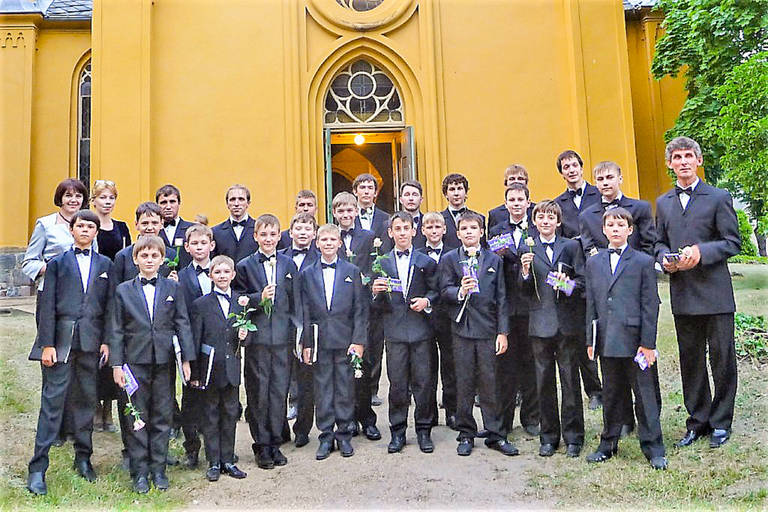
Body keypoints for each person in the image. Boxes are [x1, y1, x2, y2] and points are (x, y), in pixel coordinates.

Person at [655, 136, 740, 449]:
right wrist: (664, 259)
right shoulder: (663, 203)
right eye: (677, 157)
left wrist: (701, 252)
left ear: (699, 161)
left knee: (722, 360)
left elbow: (732, 242)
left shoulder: (718, 197)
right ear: (670, 164)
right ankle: (698, 421)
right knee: (691, 361)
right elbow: (658, 242)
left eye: (689, 156)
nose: (683, 162)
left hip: (716, 295)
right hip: (684, 294)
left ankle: (721, 422)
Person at [26, 210, 112, 496]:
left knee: (87, 400)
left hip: (91, 342)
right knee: (52, 403)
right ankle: (38, 467)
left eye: (90, 226)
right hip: (61, 342)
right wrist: (46, 344)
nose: (85, 230)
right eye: (80, 226)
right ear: (71, 230)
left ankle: (84, 457)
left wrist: (107, 341)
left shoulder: (105, 265)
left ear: (96, 232)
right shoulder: (57, 264)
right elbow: (46, 305)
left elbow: (109, 308)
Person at [109, 235, 195, 494]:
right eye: (144, 256)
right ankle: (140, 472)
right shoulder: (123, 290)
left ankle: (159, 469)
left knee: (162, 415)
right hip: (134, 363)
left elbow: (182, 323)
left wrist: (187, 359)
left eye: (154, 256)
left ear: (162, 259)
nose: (149, 260)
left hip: (163, 362)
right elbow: (116, 330)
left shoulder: (173, 289)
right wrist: (116, 365)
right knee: (136, 417)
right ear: (135, 259)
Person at [585, 208, 667, 470]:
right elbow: (592, 306)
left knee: (644, 396)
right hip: (607, 341)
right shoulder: (594, 263)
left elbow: (650, 304)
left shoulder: (642, 261)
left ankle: (654, 448)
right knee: (611, 394)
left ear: (630, 230)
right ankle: (608, 443)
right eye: (611, 224)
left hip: (635, 342)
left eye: (621, 225)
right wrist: (590, 340)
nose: (616, 229)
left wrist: (648, 343)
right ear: (604, 230)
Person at [439, 211, 518, 457]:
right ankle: (465, 433)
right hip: (462, 330)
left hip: (487, 330)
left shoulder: (494, 260)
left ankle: (495, 433)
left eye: (474, 228)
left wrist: (502, 332)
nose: (469, 232)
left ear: (481, 232)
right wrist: (459, 291)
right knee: (464, 383)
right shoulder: (450, 259)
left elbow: (502, 298)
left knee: (489, 382)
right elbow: (443, 291)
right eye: (464, 229)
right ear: (458, 233)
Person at [22, 178, 89, 448]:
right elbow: (29, 261)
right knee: (54, 360)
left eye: (78, 196)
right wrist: (54, 268)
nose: (73, 200)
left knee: (78, 362)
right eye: (68, 196)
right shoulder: (45, 225)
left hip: (79, 303)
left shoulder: (87, 222)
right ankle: (56, 425)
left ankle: (75, 424)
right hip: (51, 298)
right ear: (59, 198)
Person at [234, 214, 300, 470]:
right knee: (259, 393)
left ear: (279, 236)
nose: (268, 239)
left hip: (282, 338)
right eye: (263, 235)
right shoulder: (245, 266)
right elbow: (238, 298)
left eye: (273, 235)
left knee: (278, 392)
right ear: (255, 237)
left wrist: (297, 336)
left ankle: (274, 441)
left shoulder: (288, 264)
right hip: (258, 339)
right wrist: (257, 298)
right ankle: (260, 445)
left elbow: (295, 303)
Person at [520, 200, 586, 458]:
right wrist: (525, 272)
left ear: (558, 222)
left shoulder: (570, 247)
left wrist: (567, 285)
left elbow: (582, 283)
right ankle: (548, 437)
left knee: (570, 381)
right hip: (539, 324)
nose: (545, 221)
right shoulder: (527, 248)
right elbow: (522, 290)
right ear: (534, 222)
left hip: (566, 324)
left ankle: (573, 437)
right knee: (543, 382)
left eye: (551, 217)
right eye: (541, 218)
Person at [371, 212, 439, 454]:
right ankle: (398, 431)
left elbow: (436, 291)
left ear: (414, 231)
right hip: (395, 332)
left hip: (421, 331)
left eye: (405, 228)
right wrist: (375, 292)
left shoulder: (426, 261)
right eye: (397, 229)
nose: (401, 233)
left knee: (423, 382)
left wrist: (427, 301)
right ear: (390, 233)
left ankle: (423, 430)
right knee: (397, 384)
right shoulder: (382, 262)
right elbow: (375, 305)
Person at [300, 223, 369, 460]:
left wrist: (358, 341)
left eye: (333, 240)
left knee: (344, 387)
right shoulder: (307, 273)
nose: (328, 244)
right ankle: (326, 435)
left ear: (340, 243)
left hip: (345, 340)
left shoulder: (351, 271)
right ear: (316, 243)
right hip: (320, 341)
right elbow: (305, 311)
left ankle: (344, 434)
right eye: (324, 240)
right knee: (323, 389)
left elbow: (360, 309)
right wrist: (307, 343)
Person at [488, 184, 540, 437]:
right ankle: (504, 420)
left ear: (529, 202)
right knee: (505, 368)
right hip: (506, 305)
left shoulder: (536, 229)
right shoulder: (497, 230)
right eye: (512, 199)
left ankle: (531, 417)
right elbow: (500, 258)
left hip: (531, 306)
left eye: (521, 199)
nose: (517, 203)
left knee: (530, 365)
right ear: (505, 203)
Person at [552, 150, 603, 410]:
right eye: (565, 167)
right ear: (561, 173)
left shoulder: (599, 195)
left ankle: (605, 387)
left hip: (601, 268)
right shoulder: (557, 203)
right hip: (574, 273)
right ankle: (592, 390)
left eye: (574, 165)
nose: (571, 170)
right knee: (579, 332)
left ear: (582, 168)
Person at [191, 255, 248, 481]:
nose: (222, 276)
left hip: (232, 368)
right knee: (211, 415)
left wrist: (245, 337)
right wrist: (195, 372)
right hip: (210, 369)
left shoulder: (240, 301)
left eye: (226, 272)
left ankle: (227, 459)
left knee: (230, 413)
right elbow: (196, 339)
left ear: (233, 275)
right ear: (210, 275)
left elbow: (243, 336)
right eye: (218, 272)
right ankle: (213, 461)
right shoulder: (201, 304)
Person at [332, 192, 381, 441]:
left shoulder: (369, 237)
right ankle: (347, 418)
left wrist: (369, 281)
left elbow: (376, 266)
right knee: (344, 367)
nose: (346, 215)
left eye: (350, 211)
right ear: (335, 214)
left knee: (365, 364)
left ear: (356, 212)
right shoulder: (330, 238)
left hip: (365, 310)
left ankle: (367, 418)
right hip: (340, 313)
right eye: (341, 211)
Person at [91, 179, 131, 433]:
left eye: (111, 198)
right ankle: (94, 407)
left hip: (117, 290)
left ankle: (108, 410)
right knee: (96, 350)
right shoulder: (88, 225)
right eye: (103, 198)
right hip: (96, 290)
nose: (107, 202)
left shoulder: (122, 227)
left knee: (114, 348)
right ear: (93, 200)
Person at [176, 224, 217, 469]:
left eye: (204, 243)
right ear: (188, 248)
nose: (200, 248)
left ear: (211, 245)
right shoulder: (180, 277)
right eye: (195, 244)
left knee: (216, 399)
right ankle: (191, 448)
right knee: (190, 400)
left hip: (215, 344)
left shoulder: (224, 271)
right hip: (192, 344)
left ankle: (218, 449)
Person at [279, 213, 320, 448]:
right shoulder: (281, 258)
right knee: (281, 381)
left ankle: (303, 429)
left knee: (307, 381)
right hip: (282, 328)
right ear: (291, 232)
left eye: (308, 229)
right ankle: (281, 428)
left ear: (314, 234)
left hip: (309, 326)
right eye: (298, 228)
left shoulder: (320, 258)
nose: (303, 232)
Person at [416, 212, 457, 430]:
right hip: (424, 319)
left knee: (450, 366)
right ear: (422, 231)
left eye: (437, 227)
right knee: (426, 368)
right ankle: (428, 413)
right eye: (429, 227)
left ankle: (452, 411)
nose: (433, 231)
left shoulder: (454, 254)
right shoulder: (417, 255)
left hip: (449, 318)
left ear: (444, 230)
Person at [579, 161, 656, 258]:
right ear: (596, 183)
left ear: (620, 179)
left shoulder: (641, 208)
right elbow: (589, 250)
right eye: (600, 179)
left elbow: (649, 244)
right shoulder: (586, 216)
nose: (605, 183)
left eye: (610, 177)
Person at [212, 184, 258, 263]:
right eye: (232, 199)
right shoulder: (215, 232)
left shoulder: (259, 229)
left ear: (248, 203)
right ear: (227, 204)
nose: (236, 204)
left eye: (241, 199)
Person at [440, 173, 486, 250]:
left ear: (466, 192)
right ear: (446, 194)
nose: (456, 193)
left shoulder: (480, 218)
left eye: (460, 188)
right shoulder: (439, 219)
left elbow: (483, 246)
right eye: (452, 189)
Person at [156, 184, 194, 268]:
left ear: (179, 203)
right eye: (163, 202)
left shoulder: (193, 229)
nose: (168, 206)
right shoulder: (152, 231)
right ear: (157, 205)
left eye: (172, 202)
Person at [487, 164, 534, 232]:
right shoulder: (495, 214)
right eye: (512, 179)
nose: (516, 181)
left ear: (526, 182)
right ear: (506, 183)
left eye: (520, 178)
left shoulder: (536, 210)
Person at [399, 180, 427, 248]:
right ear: (401, 200)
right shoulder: (391, 224)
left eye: (415, 195)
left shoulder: (428, 223)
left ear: (421, 199)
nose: (411, 198)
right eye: (407, 195)